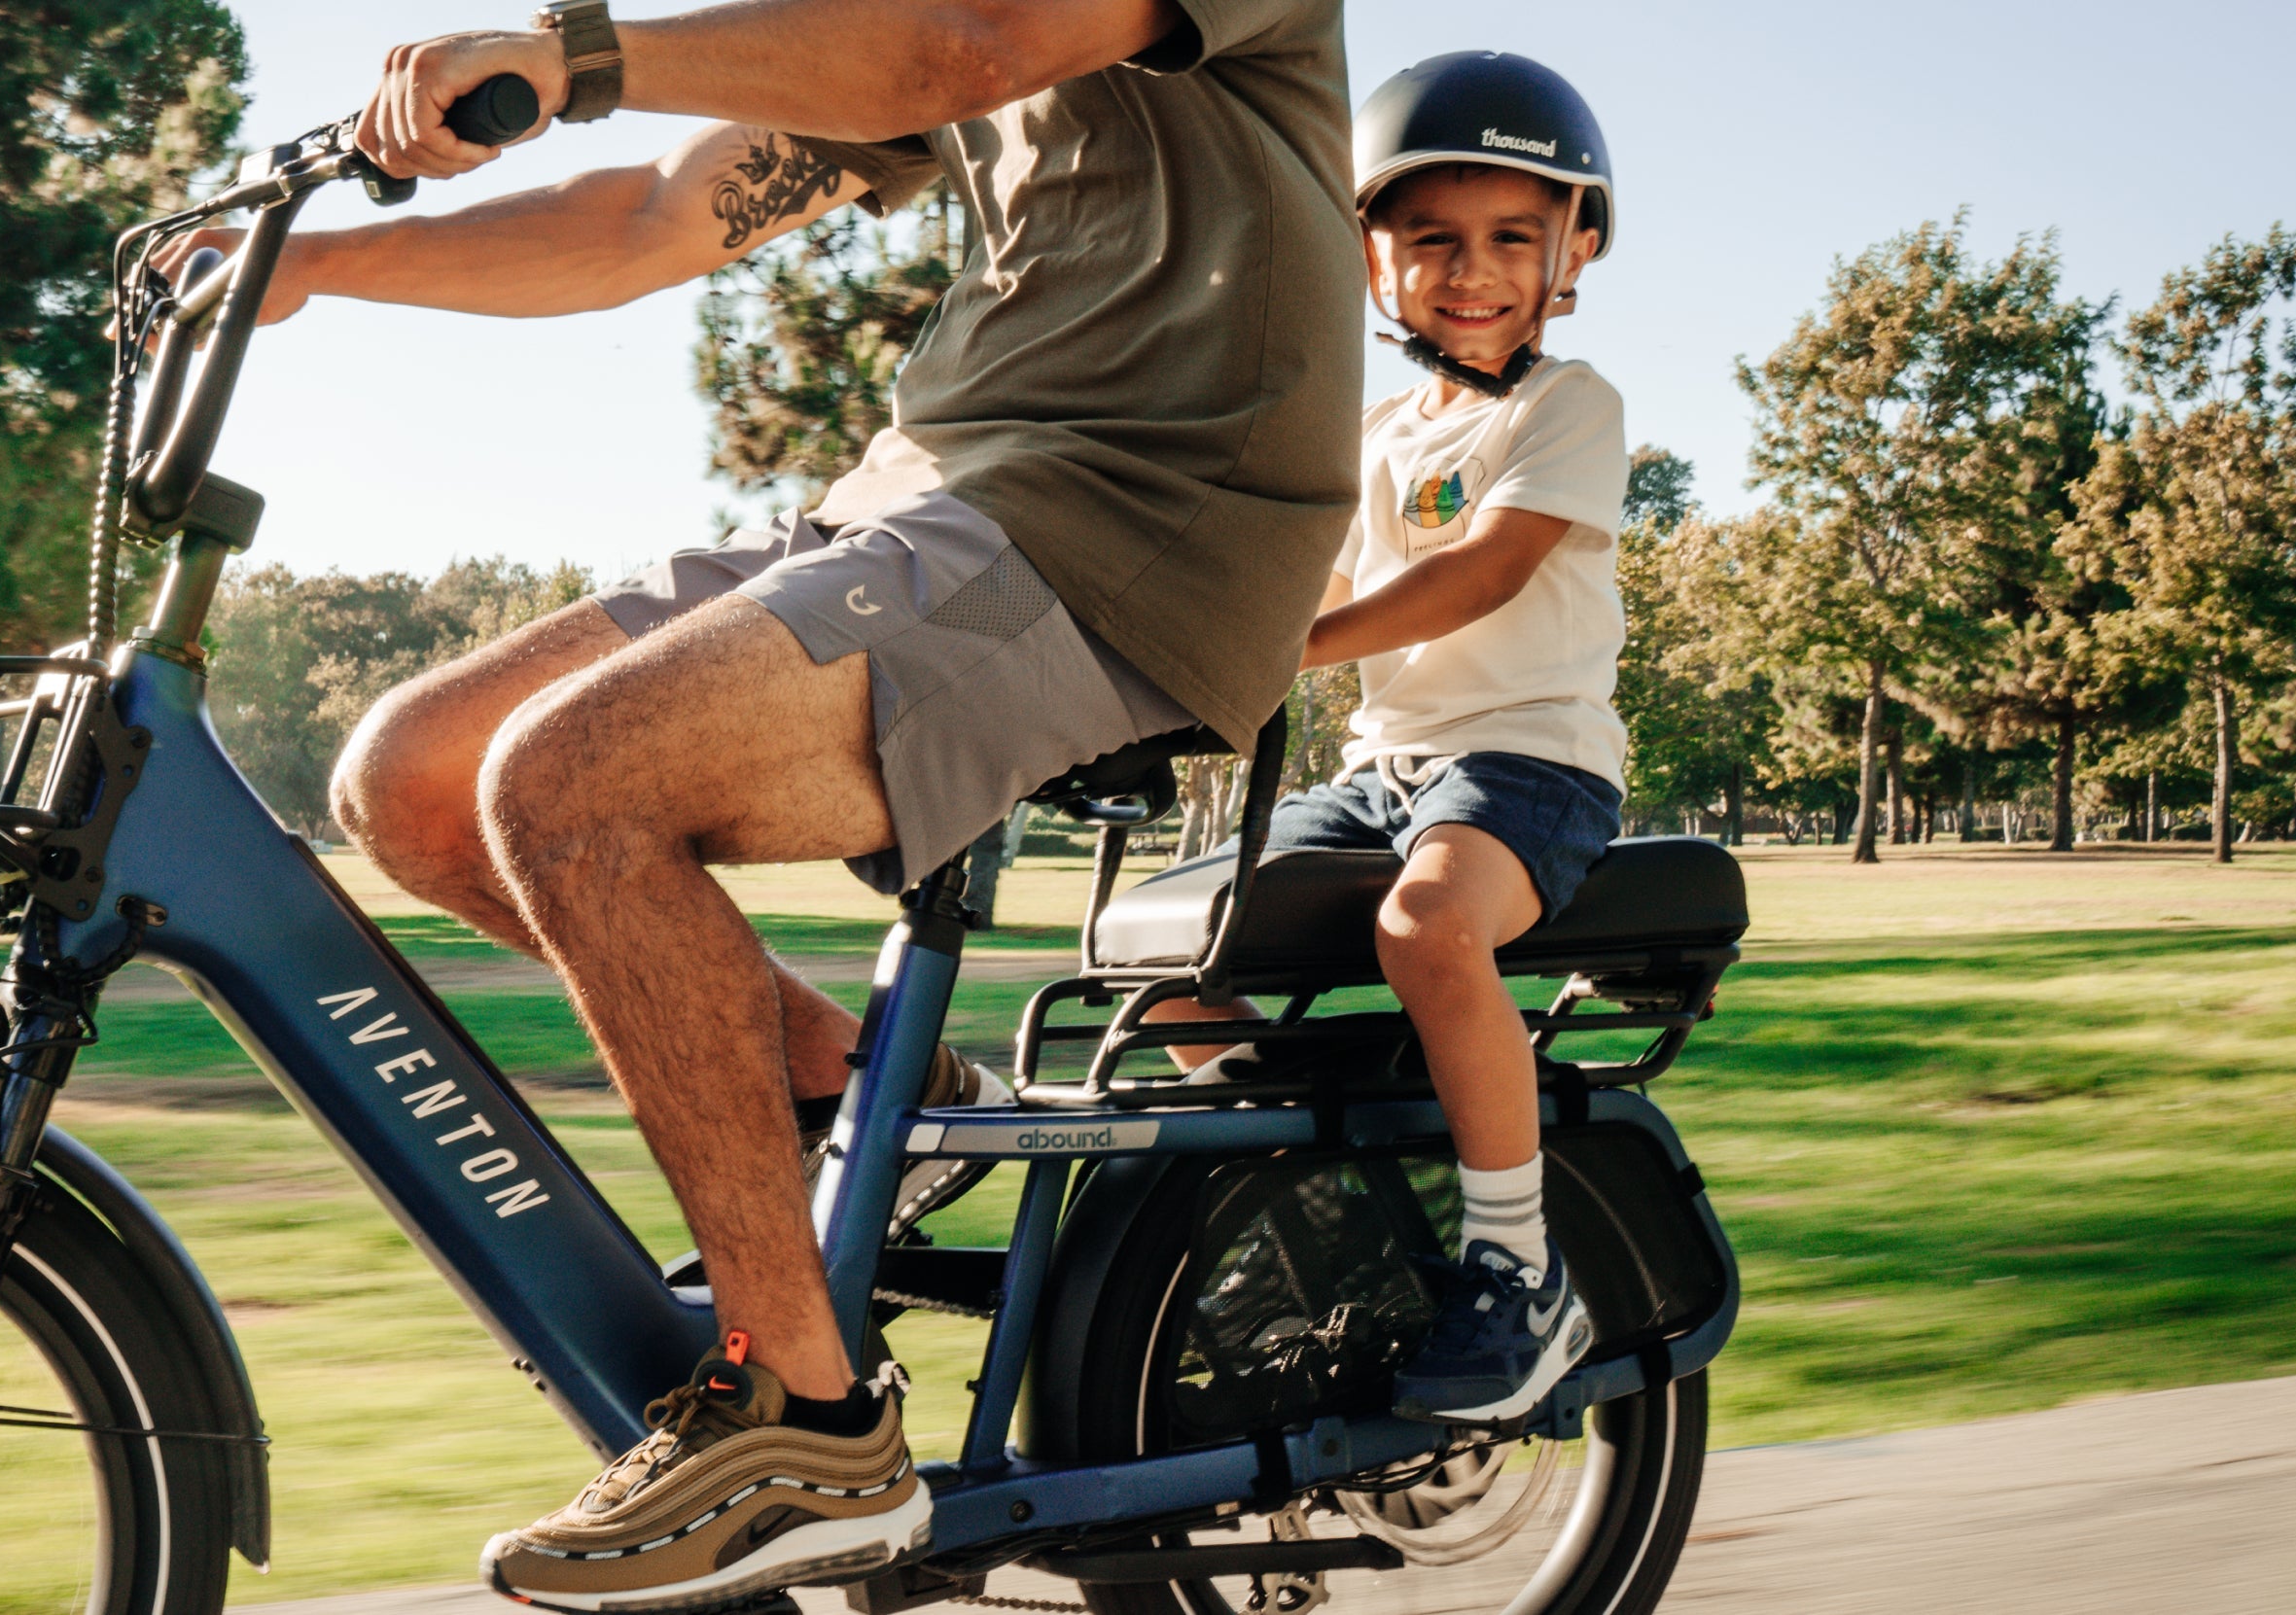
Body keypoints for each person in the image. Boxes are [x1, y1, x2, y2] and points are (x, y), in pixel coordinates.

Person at [156, 1, 1361, 1606]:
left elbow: (960, 53)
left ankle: (811, 1425)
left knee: (575, 784)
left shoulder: (998, 30)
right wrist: (305, 269)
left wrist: (575, 54)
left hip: (1127, 520)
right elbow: (649, 221)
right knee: (413, 776)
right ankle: (854, 1086)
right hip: (926, 503)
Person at [1157, 52, 1626, 1426]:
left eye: (1509, 239)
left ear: (1574, 248)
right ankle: (1315, 1219)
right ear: (1375, 258)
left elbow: (1482, 571)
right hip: (1386, 777)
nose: (1468, 271)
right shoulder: (1375, 432)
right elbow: (1304, 585)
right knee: (1161, 951)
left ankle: (1518, 1271)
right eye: (1432, 240)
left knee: (1429, 929)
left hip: (1531, 763)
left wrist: (1286, 647)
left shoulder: (1566, 407)